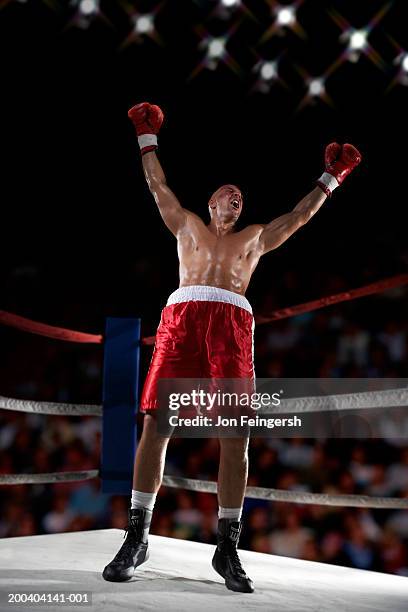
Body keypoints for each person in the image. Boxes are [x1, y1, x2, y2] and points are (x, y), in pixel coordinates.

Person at [102, 102, 362, 592]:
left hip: (231, 325)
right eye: (228, 193)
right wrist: (145, 138)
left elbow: (300, 216)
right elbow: (157, 185)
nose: (236, 197)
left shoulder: (255, 238)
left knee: (236, 434)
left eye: (241, 195)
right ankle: (137, 536)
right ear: (211, 201)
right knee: (158, 422)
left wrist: (333, 177)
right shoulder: (186, 226)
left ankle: (227, 547)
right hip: (183, 317)